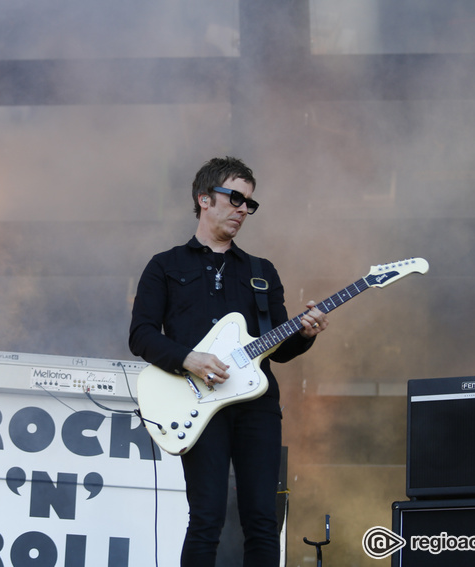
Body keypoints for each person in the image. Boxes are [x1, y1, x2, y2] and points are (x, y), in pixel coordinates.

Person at [129, 156, 328, 567]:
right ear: (204, 198)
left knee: (261, 519)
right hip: (199, 406)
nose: (243, 209)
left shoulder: (261, 272)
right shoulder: (166, 265)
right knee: (206, 517)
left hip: (256, 407)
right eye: (235, 198)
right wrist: (190, 359)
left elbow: (280, 348)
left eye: (249, 203)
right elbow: (141, 335)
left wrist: (305, 335)